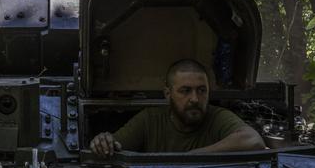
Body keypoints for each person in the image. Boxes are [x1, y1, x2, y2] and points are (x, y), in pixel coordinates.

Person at [89, 59, 266, 155]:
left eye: (202, 90)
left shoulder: (217, 117)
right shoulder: (150, 119)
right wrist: (103, 142)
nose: (195, 99)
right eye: (185, 91)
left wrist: (194, 156)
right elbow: (114, 146)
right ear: (168, 94)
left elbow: (253, 140)